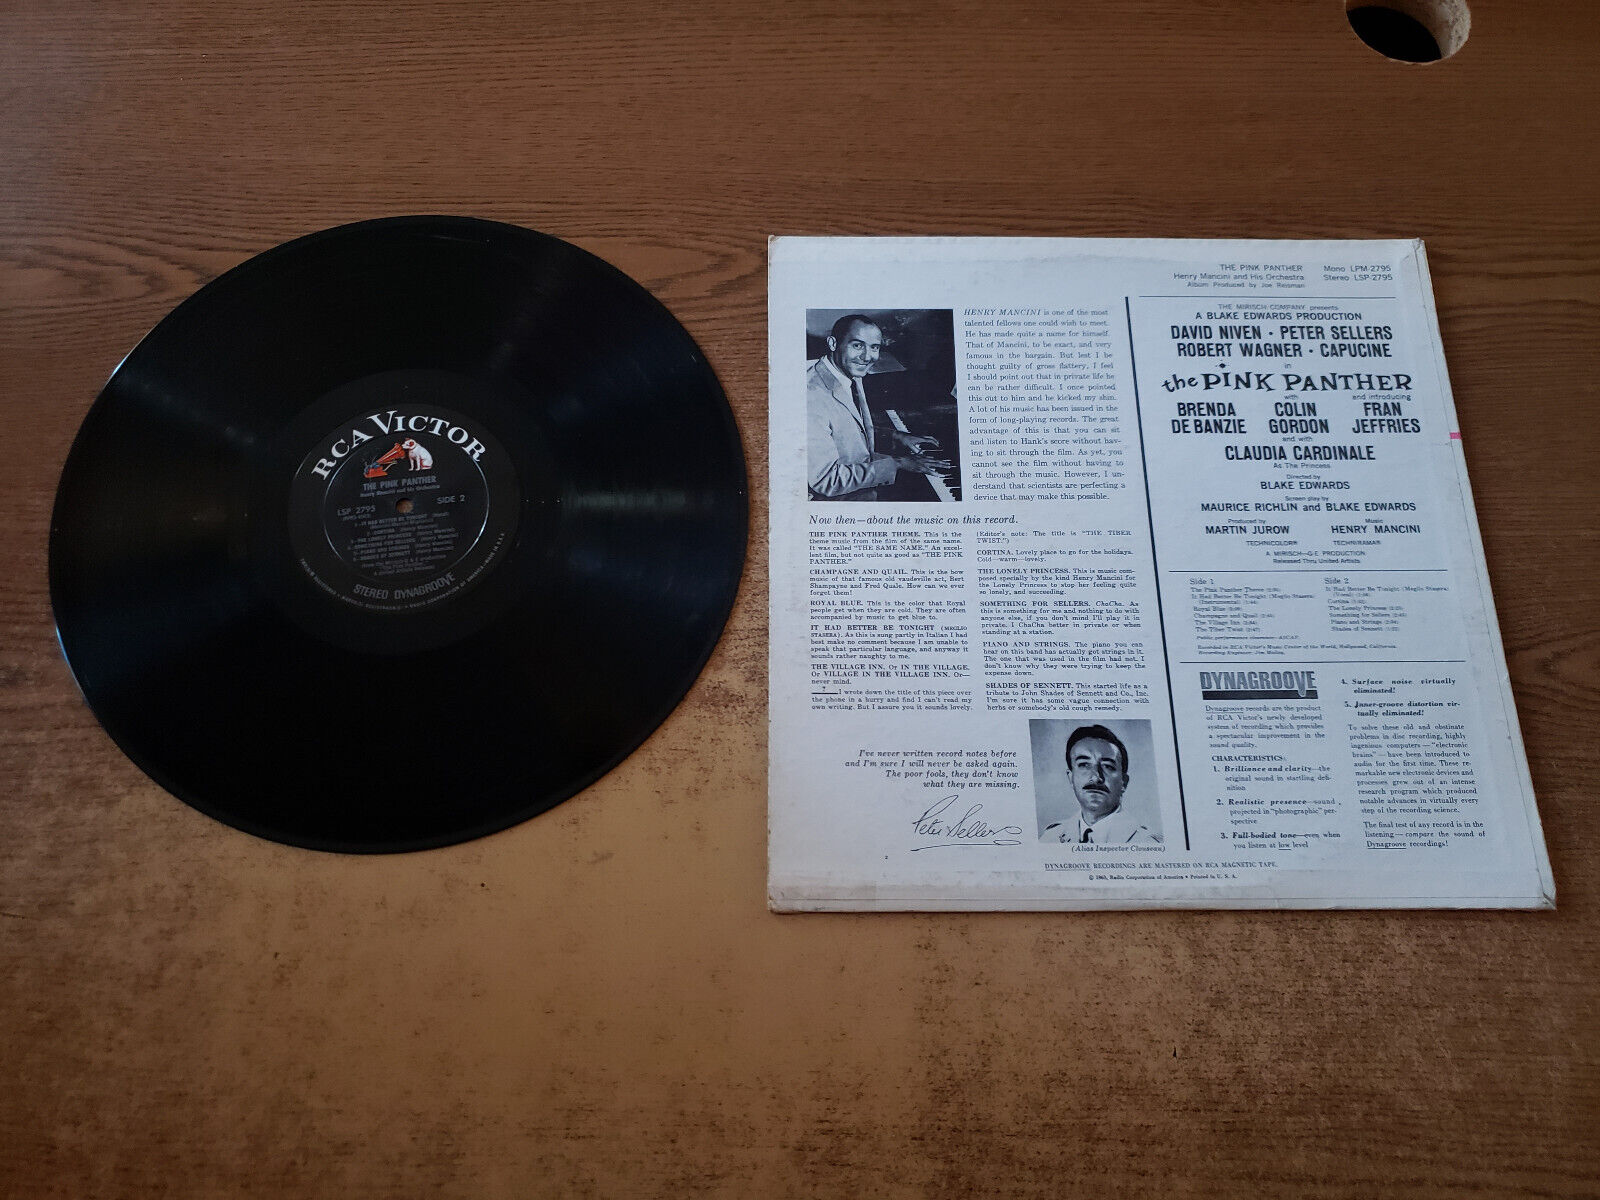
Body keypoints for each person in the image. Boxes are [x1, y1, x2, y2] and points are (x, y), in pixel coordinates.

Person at [807, 314, 948, 500]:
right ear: (833, 343)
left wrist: (896, 436)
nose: (867, 357)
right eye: (857, 345)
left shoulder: (847, 373)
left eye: (874, 347)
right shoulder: (812, 396)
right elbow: (827, 481)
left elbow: (845, 429)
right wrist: (897, 463)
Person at [1040, 724, 1163, 845]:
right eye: (1084, 764)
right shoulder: (1050, 839)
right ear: (1071, 778)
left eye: (1108, 766)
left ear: (1124, 782)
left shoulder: (1147, 843)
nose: (1096, 777)